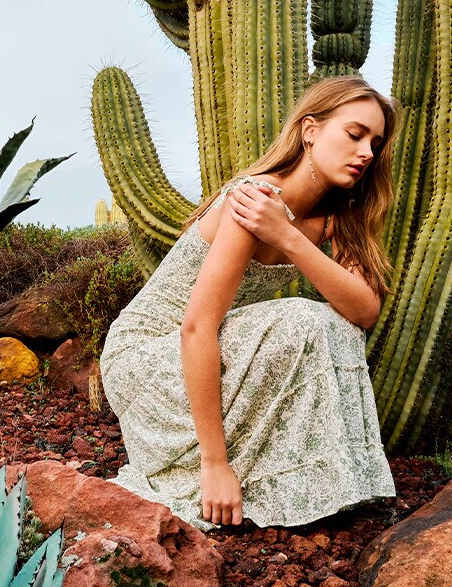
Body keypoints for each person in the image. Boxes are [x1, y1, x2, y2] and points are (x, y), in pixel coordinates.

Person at [100, 76, 400, 531]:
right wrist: (214, 465)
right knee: (305, 318)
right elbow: (196, 327)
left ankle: (325, 481)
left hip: (204, 346)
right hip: (148, 356)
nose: (366, 153)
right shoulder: (253, 198)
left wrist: (288, 239)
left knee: (335, 323)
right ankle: (216, 469)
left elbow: (364, 312)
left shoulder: (335, 216)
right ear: (310, 131)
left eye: (374, 143)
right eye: (354, 134)